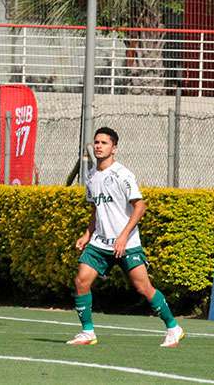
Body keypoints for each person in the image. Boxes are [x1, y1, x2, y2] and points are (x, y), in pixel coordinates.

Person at [67, 127, 184, 347]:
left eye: (104, 143)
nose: (99, 146)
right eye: (97, 142)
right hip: (100, 243)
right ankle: (87, 332)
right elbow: (95, 210)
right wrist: (87, 233)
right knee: (81, 280)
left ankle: (173, 327)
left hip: (127, 243)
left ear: (114, 148)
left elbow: (140, 207)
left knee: (143, 288)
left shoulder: (123, 175)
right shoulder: (91, 176)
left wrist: (122, 237)